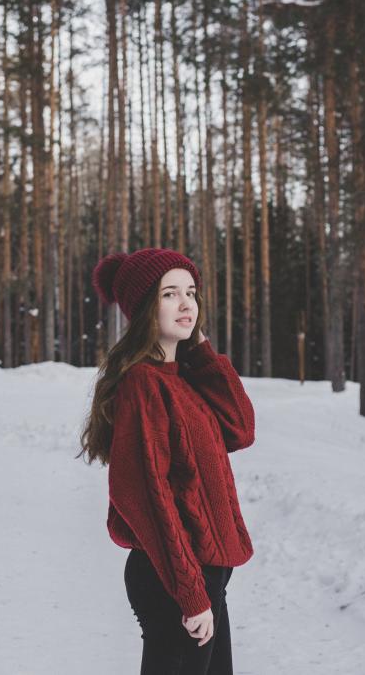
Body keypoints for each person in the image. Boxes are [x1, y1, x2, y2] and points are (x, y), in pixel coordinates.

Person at [78, 247, 255, 675]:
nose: (186, 304)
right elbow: (144, 494)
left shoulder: (185, 378)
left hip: (204, 577)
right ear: (143, 308)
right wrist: (191, 595)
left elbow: (241, 429)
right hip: (173, 580)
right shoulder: (142, 382)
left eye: (191, 292)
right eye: (169, 294)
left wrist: (201, 353)